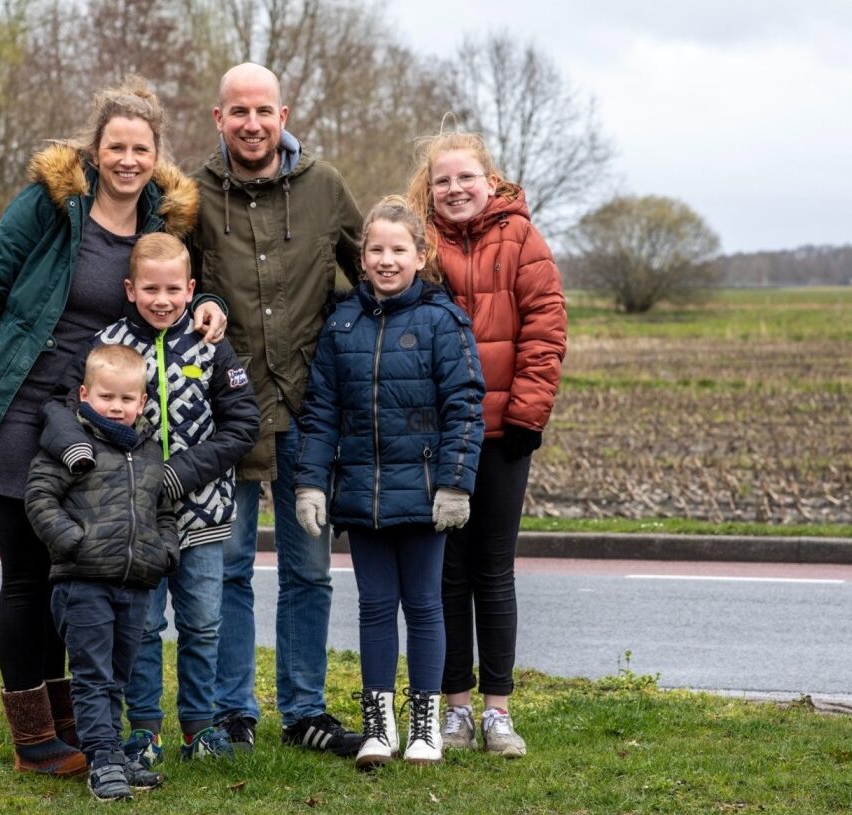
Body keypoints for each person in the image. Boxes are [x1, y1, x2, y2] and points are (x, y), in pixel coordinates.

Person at [0, 75, 197, 775]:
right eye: (116, 145)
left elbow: (174, 285)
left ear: (156, 154)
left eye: (141, 148)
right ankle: (32, 737)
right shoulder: (51, 206)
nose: (128, 159)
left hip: (91, 419)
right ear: (96, 147)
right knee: (26, 572)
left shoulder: (159, 224)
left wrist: (212, 307)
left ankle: (70, 722)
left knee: (69, 571)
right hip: (19, 402)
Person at [186, 62, 365, 757]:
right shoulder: (191, 195)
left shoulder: (325, 188)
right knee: (227, 570)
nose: (253, 124)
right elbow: (165, 282)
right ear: (218, 119)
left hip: (310, 413)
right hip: (224, 415)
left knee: (309, 571)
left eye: (264, 111)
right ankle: (234, 711)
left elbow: (375, 269)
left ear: (283, 115)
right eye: (240, 113)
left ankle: (305, 710)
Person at [37, 232, 260, 765]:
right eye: (150, 289)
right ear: (130, 289)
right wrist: (78, 455)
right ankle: (144, 729)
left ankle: (200, 726)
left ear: (191, 289)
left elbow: (243, 422)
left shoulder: (210, 344)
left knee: (203, 622)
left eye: (173, 290)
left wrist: (178, 474)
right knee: (142, 628)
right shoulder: (107, 343)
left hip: (202, 511)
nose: (163, 300)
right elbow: (63, 406)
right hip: (130, 523)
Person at [294, 196, 485, 769]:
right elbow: (322, 410)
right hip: (362, 495)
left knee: (425, 605)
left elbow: (465, 406)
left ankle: (425, 726)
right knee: (375, 607)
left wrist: (455, 484)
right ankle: (381, 728)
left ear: (419, 255)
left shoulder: (442, 321)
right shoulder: (342, 324)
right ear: (362, 256)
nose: (385, 260)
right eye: (375, 249)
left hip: (426, 496)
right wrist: (311, 482)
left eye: (398, 249)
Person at [406, 131, 567, 758]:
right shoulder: (419, 242)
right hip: (435, 435)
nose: (455, 189)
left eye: (465, 177)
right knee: (446, 574)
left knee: (493, 571)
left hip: (503, 432)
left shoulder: (522, 237)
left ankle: (498, 711)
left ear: (489, 179)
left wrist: (528, 415)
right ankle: (456, 710)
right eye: (443, 180)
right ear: (430, 187)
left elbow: (546, 325)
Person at [25, 344, 179, 801]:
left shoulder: (149, 451)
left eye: (127, 399)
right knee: (92, 676)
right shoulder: (72, 446)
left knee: (117, 676)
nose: (117, 406)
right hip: (83, 582)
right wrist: (73, 541)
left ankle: (111, 752)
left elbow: (163, 509)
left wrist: (164, 549)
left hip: (135, 584)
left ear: (142, 401)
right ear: (84, 395)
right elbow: (39, 497)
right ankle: (102, 762)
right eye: (107, 397)